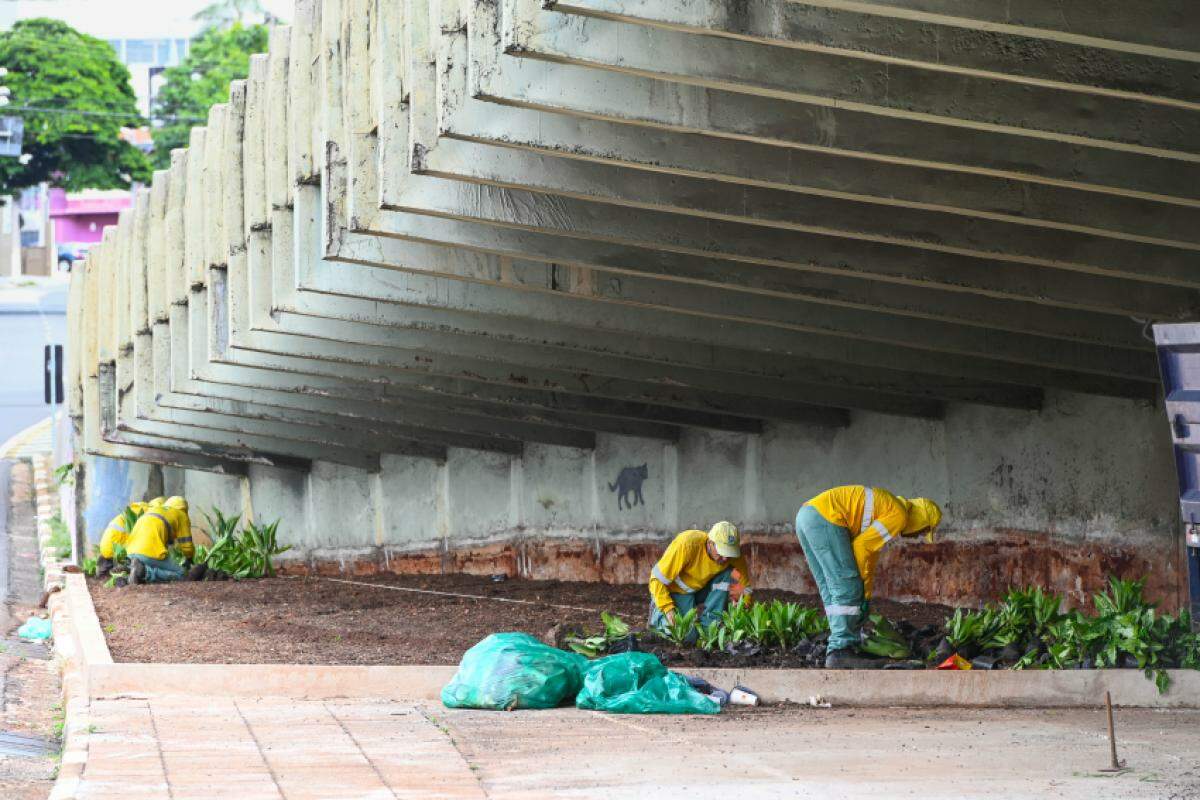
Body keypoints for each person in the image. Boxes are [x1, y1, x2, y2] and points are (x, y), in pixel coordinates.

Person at [795, 486, 942, 669]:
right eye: (923, 530)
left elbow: (870, 554)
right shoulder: (898, 515)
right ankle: (841, 649)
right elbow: (862, 548)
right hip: (825, 518)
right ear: (921, 520)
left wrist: (866, 594)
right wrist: (860, 588)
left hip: (806, 516)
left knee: (831, 589)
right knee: (847, 586)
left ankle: (842, 645)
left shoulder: (889, 508)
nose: (918, 536)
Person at [648, 521, 754, 639]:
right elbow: (656, 579)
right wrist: (668, 608)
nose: (725, 558)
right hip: (676, 592)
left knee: (730, 574)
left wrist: (743, 606)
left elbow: (745, 587)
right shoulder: (687, 544)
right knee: (687, 637)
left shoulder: (732, 555)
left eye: (729, 553)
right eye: (722, 552)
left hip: (700, 588)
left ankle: (709, 627)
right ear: (710, 543)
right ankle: (658, 616)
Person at [126, 496, 194, 585]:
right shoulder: (181, 515)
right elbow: (187, 547)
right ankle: (144, 572)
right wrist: (189, 559)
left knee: (154, 562)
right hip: (149, 552)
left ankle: (131, 569)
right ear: (184, 509)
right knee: (182, 573)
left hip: (130, 552)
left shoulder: (154, 510)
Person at [96, 497, 163, 576]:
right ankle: (126, 569)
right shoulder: (148, 513)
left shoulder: (135, 509)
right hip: (117, 549)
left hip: (105, 546)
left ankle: (102, 568)